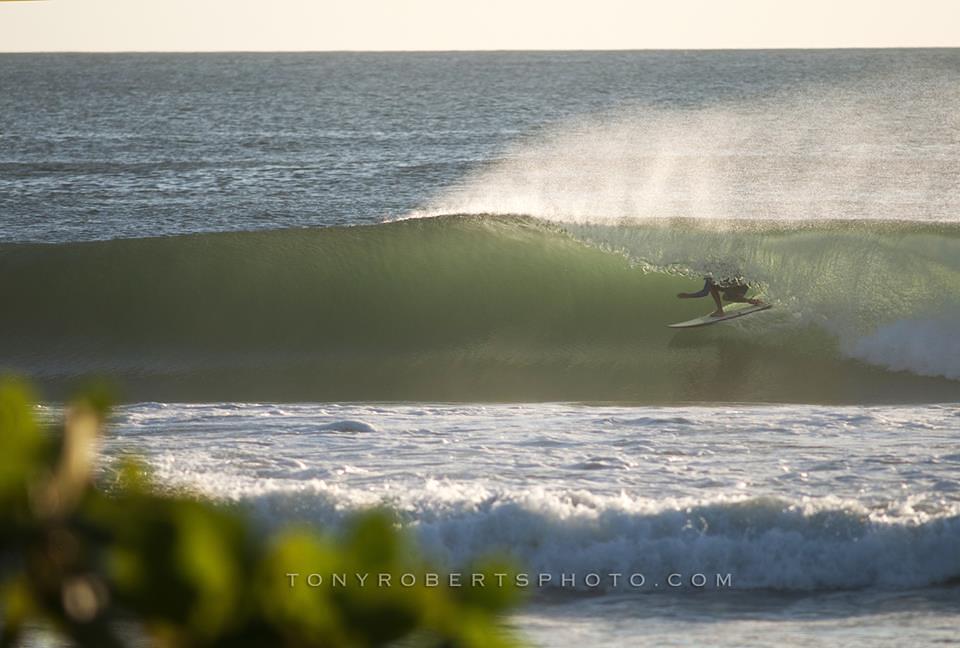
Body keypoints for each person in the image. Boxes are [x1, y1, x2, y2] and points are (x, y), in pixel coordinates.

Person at [677, 276, 763, 317]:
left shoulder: (719, 272)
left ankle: (720, 310)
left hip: (741, 285)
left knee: (725, 294)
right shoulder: (710, 278)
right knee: (717, 290)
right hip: (734, 287)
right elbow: (704, 292)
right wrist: (688, 295)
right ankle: (752, 301)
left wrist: (688, 295)